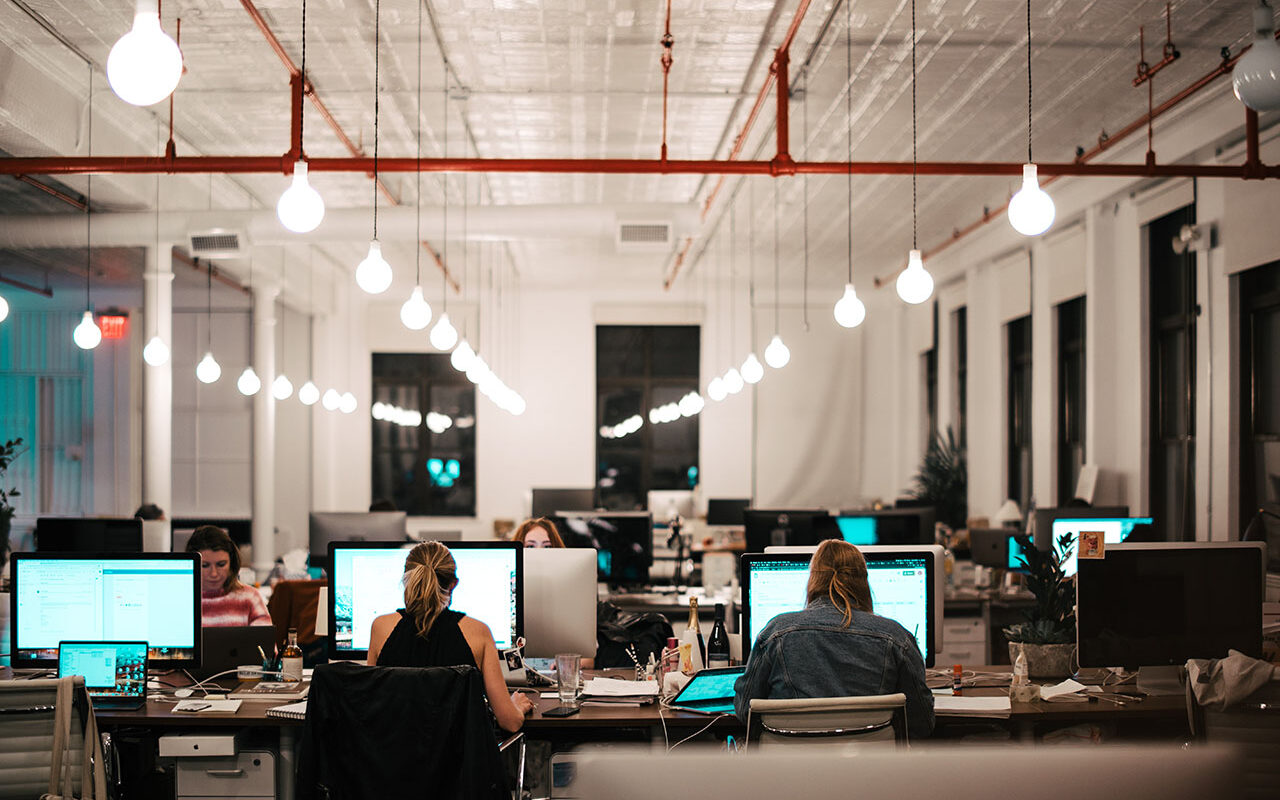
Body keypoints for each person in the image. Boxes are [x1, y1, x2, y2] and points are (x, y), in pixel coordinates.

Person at [733, 539, 935, 738]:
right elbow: (922, 722)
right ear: (864, 582)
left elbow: (745, 710)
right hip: (871, 767)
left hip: (793, 767)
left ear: (813, 580)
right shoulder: (897, 638)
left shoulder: (776, 633)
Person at [366, 541, 535, 733]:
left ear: (407, 580)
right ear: (453, 584)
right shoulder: (478, 632)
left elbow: (370, 707)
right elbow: (510, 722)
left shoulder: (381, 627)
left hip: (392, 759)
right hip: (458, 761)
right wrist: (516, 706)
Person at [186, 525, 272, 628]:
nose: (214, 573)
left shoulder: (250, 597)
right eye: (204, 565)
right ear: (191, 564)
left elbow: (264, 643)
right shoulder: (178, 599)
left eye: (221, 564)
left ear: (232, 563)